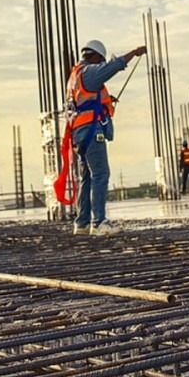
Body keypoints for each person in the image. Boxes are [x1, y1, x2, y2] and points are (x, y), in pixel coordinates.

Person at [66, 39, 146, 235]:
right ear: (94, 57)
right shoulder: (90, 72)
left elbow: (84, 101)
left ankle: (82, 222)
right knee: (101, 174)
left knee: (87, 176)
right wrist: (134, 52)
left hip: (79, 133)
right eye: (100, 60)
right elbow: (113, 67)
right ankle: (99, 222)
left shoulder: (75, 76)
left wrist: (107, 101)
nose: (100, 64)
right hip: (91, 131)